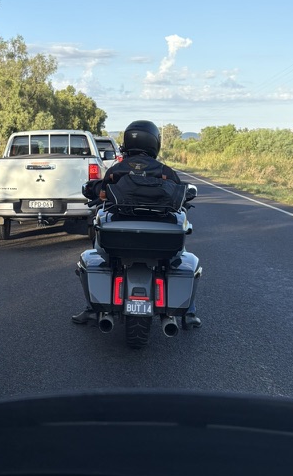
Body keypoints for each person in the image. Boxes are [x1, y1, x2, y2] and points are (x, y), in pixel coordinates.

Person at [72, 119, 201, 327]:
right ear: (154, 143)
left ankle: (92, 308)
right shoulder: (165, 171)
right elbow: (183, 194)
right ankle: (189, 312)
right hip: (160, 237)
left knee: (99, 253)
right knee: (179, 259)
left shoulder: (116, 170)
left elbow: (102, 193)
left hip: (119, 234)